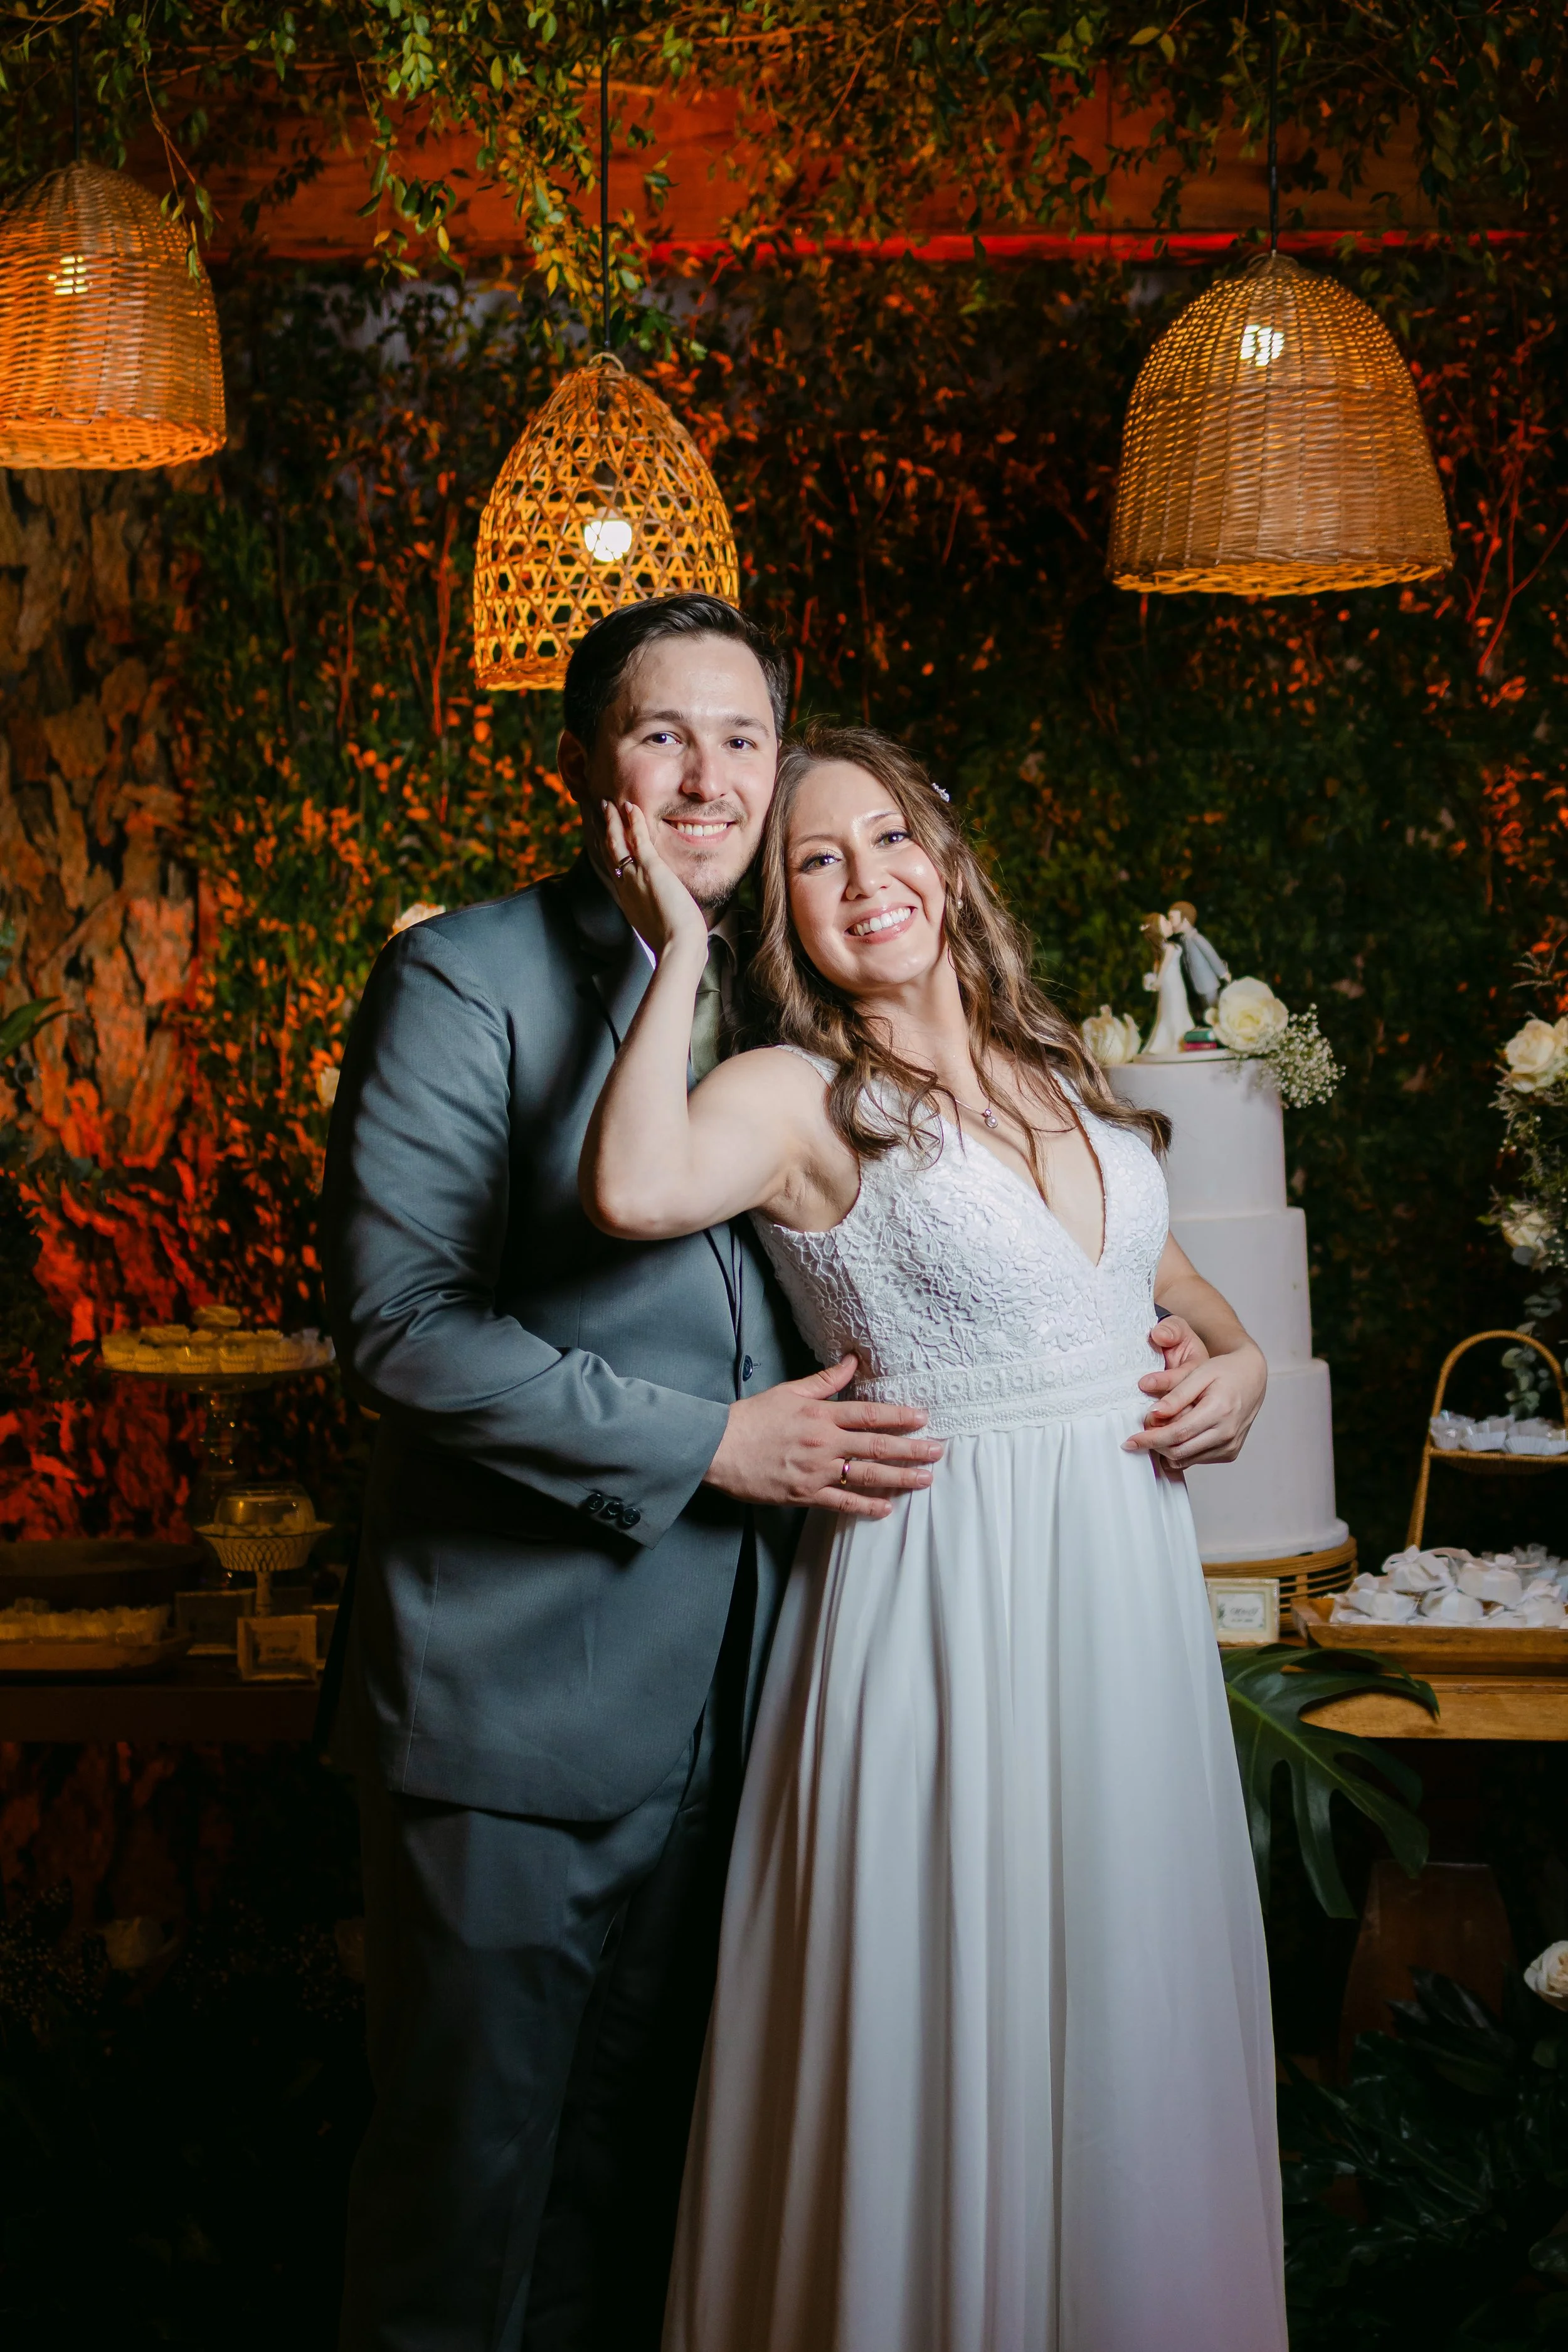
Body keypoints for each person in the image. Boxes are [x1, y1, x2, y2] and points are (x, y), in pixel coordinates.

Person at [581, 723, 1289, 2352]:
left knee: (1120, 2019)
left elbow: (1157, 1292)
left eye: (884, 837)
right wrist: (677, 948)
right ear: (788, 921)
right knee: (944, 2020)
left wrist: (1240, 1363)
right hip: (939, 1607)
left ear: (945, 861)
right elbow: (627, 1184)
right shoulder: (794, 1096)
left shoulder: (1064, 1082)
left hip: (1119, 1616)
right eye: (813, 862)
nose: (861, 878)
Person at [320, 600, 945, 2352]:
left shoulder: (796, 985)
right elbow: (401, 1328)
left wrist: (1209, 1333)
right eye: (661, 733)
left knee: (663, 2205)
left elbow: (1002, 1176)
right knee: (467, 2196)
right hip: (512, 1706)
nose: (708, 774)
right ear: (582, 762)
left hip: (756, 1706)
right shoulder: (463, 978)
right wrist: (709, 1442)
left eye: (741, 736)